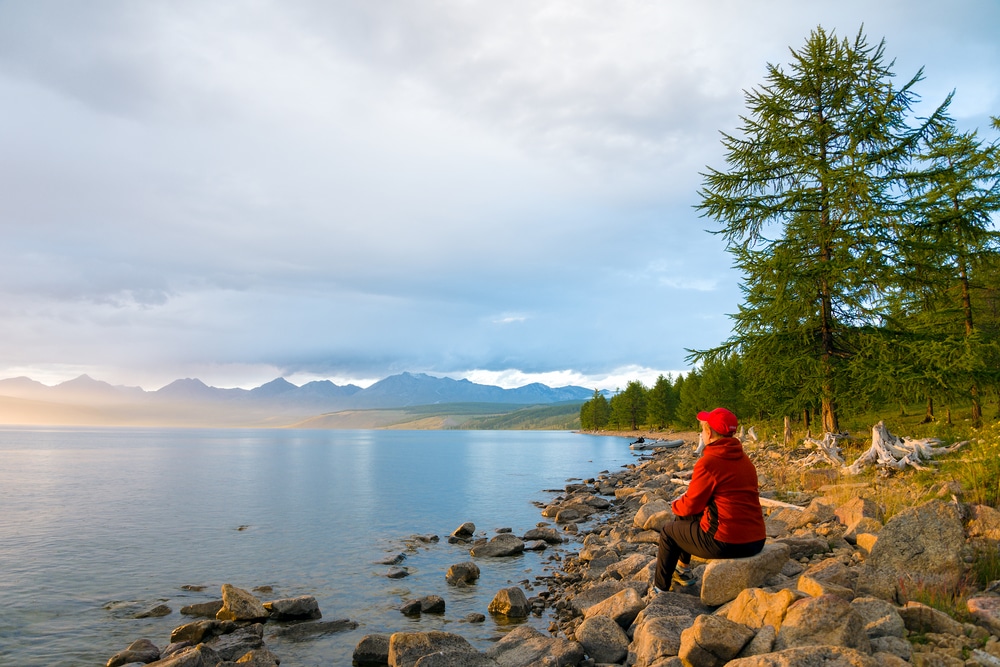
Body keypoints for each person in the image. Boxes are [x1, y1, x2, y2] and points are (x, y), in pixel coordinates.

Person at [654, 407, 766, 592]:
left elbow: (690, 505)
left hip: (726, 543)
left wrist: (674, 505)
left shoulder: (709, 462)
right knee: (686, 516)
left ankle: (660, 590)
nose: (701, 433)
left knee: (668, 532)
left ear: (709, 433)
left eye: (702, 429)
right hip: (756, 540)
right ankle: (683, 571)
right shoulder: (744, 460)